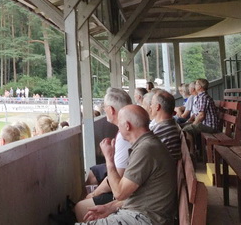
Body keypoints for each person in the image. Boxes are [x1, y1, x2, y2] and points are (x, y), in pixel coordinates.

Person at [80, 105, 177, 225]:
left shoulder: (145, 149)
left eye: (119, 123)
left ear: (127, 125)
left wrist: (109, 158)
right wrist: (110, 207)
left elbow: (119, 193)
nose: (118, 127)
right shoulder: (148, 144)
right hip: (144, 214)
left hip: (145, 219)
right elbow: (140, 195)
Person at [75, 88, 132, 221]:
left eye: (105, 107)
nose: (104, 110)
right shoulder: (125, 132)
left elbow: (118, 178)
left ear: (111, 110)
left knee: (80, 207)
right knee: (93, 173)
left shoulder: (124, 137)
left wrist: (95, 193)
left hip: (128, 195)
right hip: (130, 189)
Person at [183, 78, 219, 152]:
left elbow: (201, 116)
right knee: (183, 126)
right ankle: (197, 150)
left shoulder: (203, 97)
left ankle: (191, 153)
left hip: (210, 126)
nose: (195, 86)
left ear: (200, 87)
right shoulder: (201, 97)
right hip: (205, 124)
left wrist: (193, 124)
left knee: (186, 130)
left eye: (196, 84)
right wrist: (191, 123)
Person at [149, 89, 182, 160]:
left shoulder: (159, 132)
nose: (150, 106)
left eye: (151, 103)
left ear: (157, 107)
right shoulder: (172, 125)